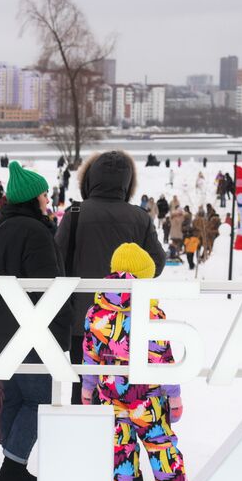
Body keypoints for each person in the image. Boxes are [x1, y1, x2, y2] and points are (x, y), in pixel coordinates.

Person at [0, 162, 71, 481]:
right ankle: (12, 471)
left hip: (5, 330)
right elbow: (46, 284)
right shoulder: (33, 230)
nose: (48, 199)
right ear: (33, 197)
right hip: (31, 329)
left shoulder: (0, 227)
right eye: (44, 194)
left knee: (16, 397)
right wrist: (62, 323)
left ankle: (11, 465)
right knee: (39, 398)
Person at [52, 150, 167, 404]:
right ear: (128, 184)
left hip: (83, 317)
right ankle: (115, 439)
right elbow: (157, 264)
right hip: (128, 319)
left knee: (82, 385)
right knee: (122, 389)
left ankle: (82, 434)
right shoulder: (140, 218)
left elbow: (56, 259)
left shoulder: (75, 213)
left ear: (90, 179)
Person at [82, 244, 188, 481]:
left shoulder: (97, 311)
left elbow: (90, 353)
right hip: (146, 395)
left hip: (110, 392)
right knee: (160, 444)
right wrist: (173, 395)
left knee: (120, 446)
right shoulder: (150, 313)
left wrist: (87, 388)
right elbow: (162, 358)